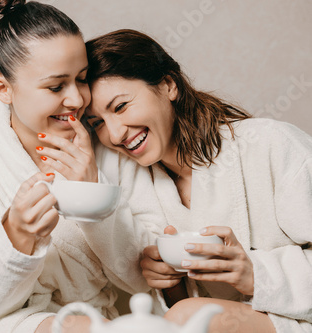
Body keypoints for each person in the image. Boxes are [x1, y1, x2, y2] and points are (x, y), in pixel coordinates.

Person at [79, 29, 312, 332]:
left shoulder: (271, 144)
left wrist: (258, 273)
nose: (114, 134)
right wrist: (170, 284)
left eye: (121, 107)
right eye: (97, 123)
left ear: (168, 84)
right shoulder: (140, 188)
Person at [0, 1, 131, 332]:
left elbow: (140, 276)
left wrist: (94, 198)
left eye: (82, 79)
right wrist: (16, 237)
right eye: (56, 86)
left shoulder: (111, 149)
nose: (77, 99)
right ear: (3, 89)